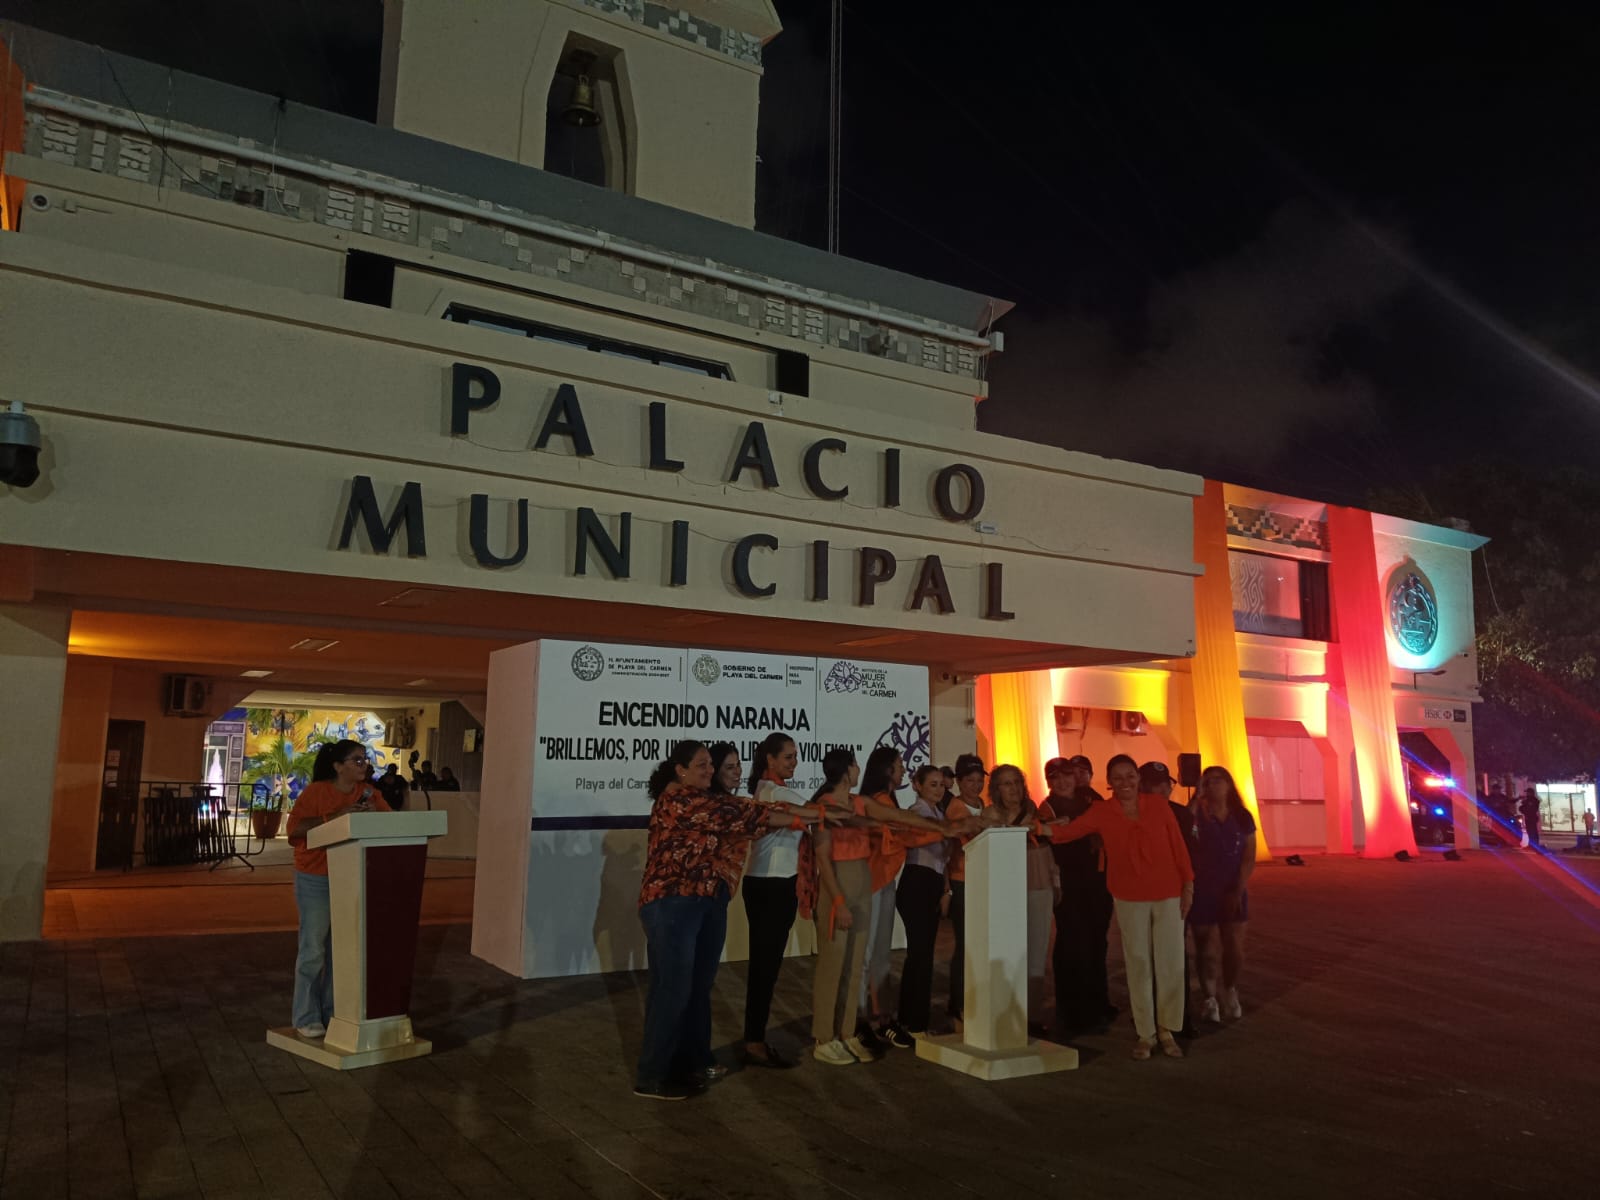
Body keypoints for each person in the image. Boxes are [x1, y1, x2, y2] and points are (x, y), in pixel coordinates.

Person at [634, 741, 822, 1100]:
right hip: (674, 903)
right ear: (680, 769)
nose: (711, 771)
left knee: (695, 988)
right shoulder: (680, 800)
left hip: (705, 900)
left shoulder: (713, 802)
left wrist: (812, 815)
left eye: (711, 765)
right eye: (702, 765)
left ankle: (689, 1062)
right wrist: (817, 814)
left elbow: (755, 814)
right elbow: (755, 815)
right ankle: (652, 1075)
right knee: (671, 990)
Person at [1037, 754, 1193, 1060]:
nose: (1125, 783)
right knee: (1139, 964)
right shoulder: (1102, 811)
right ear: (1108, 783)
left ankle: (1167, 1029)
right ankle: (1146, 1033)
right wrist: (1029, 826)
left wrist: (1188, 884)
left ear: (1138, 778)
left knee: (1170, 963)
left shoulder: (1159, 806)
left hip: (1168, 892)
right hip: (1129, 895)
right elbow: (1067, 832)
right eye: (1118, 778)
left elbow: (1178, 846)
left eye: (1130, 776)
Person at [284, 740, 391, 1038]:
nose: (364, 765)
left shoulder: (370, 794)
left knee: (341, 950)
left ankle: (333, 1013)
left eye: (365, 760)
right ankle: (305, 1015)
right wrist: (339, 815)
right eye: (357, 760)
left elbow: (392, 824)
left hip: (352, 876)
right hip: (315, 878)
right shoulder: (317, 792)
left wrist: (374, 816)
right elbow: (295, 831)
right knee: (313, 949)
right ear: (337, 766)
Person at [741, 733, 807, 1068]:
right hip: (772, 886)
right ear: (770, 759)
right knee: (765, 968)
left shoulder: (766, 790)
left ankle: (755, 1036)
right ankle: (753, 1041)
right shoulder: (775, 792)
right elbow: (816, 814)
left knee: (765, 967)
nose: (794, 762)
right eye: (788, 758)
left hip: (767, 884)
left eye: (795, 757)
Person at [809, 749, 878, 1064]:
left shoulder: (860, 803)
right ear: (845, 770)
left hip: (862, 878)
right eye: (854, 764)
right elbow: (822, 858)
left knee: (854, 965)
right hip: (838, 881)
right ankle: (824, 1036)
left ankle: (847, 1032)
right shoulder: (823, 807)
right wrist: (838, 900)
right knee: (832, 964)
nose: (858, 769)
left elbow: (893, 820)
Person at [1039, 756, 1114, 1035]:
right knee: (1072, 942)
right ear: (1049, 782)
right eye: (1055, 778)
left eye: (1066, 775)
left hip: (1097, 881)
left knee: (1097, 941)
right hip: (1067, 884)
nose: (1062, 782)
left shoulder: (1090, 802)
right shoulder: (1045, 810)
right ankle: (1071, 1009)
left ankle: (1098, 1003)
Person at [989, 764, 1059, 1034]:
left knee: (1037, 951)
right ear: (996, 789)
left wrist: (1056, 882)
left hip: (1038, 884)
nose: (1013, 789)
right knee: (1008, 952)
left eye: (1016, 783)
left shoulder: (1037, 812)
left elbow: (1050, 849)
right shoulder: (990, 815)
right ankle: (1005, 1012)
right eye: (1006, 784)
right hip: (1005, 889)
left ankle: (1032, 1016)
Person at [894, 765, 959, 1038]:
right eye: (932, 784)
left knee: (922, 955)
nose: (938, 789)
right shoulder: (916, 814)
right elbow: (915, 841)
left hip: (932, 884)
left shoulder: (940, 814)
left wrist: (945, 890)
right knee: (921, 956)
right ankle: (916, 1022)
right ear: (916, 785)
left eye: (941, 785)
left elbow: (944, 858)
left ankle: (910, 1017)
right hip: (916, 883)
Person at [1189, 765, 1256, 1023]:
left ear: (1229, 784)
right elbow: (1186, 832)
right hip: (1202, 890)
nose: (1213, 785)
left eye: (1219, 780)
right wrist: (1195, 799)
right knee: (1204, 947)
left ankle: (1229, 989)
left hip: (1232, 889)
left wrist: (1237, 889)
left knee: (1234, 948)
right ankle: (1209, 998)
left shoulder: (1242, 817)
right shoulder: (1197, 816)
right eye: (1208, 781)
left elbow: (1249, 857)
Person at [944, 752, 988, 1025]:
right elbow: (951, 849)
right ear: (959, 781)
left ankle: (975, 999)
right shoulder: (956, 809)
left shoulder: (984, 805)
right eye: (969, 780)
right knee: (964, 945)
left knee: (979, 944)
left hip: (983, 880)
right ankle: (957, 1004)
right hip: (962, 881)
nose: (975, 785)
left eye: (979, 779)